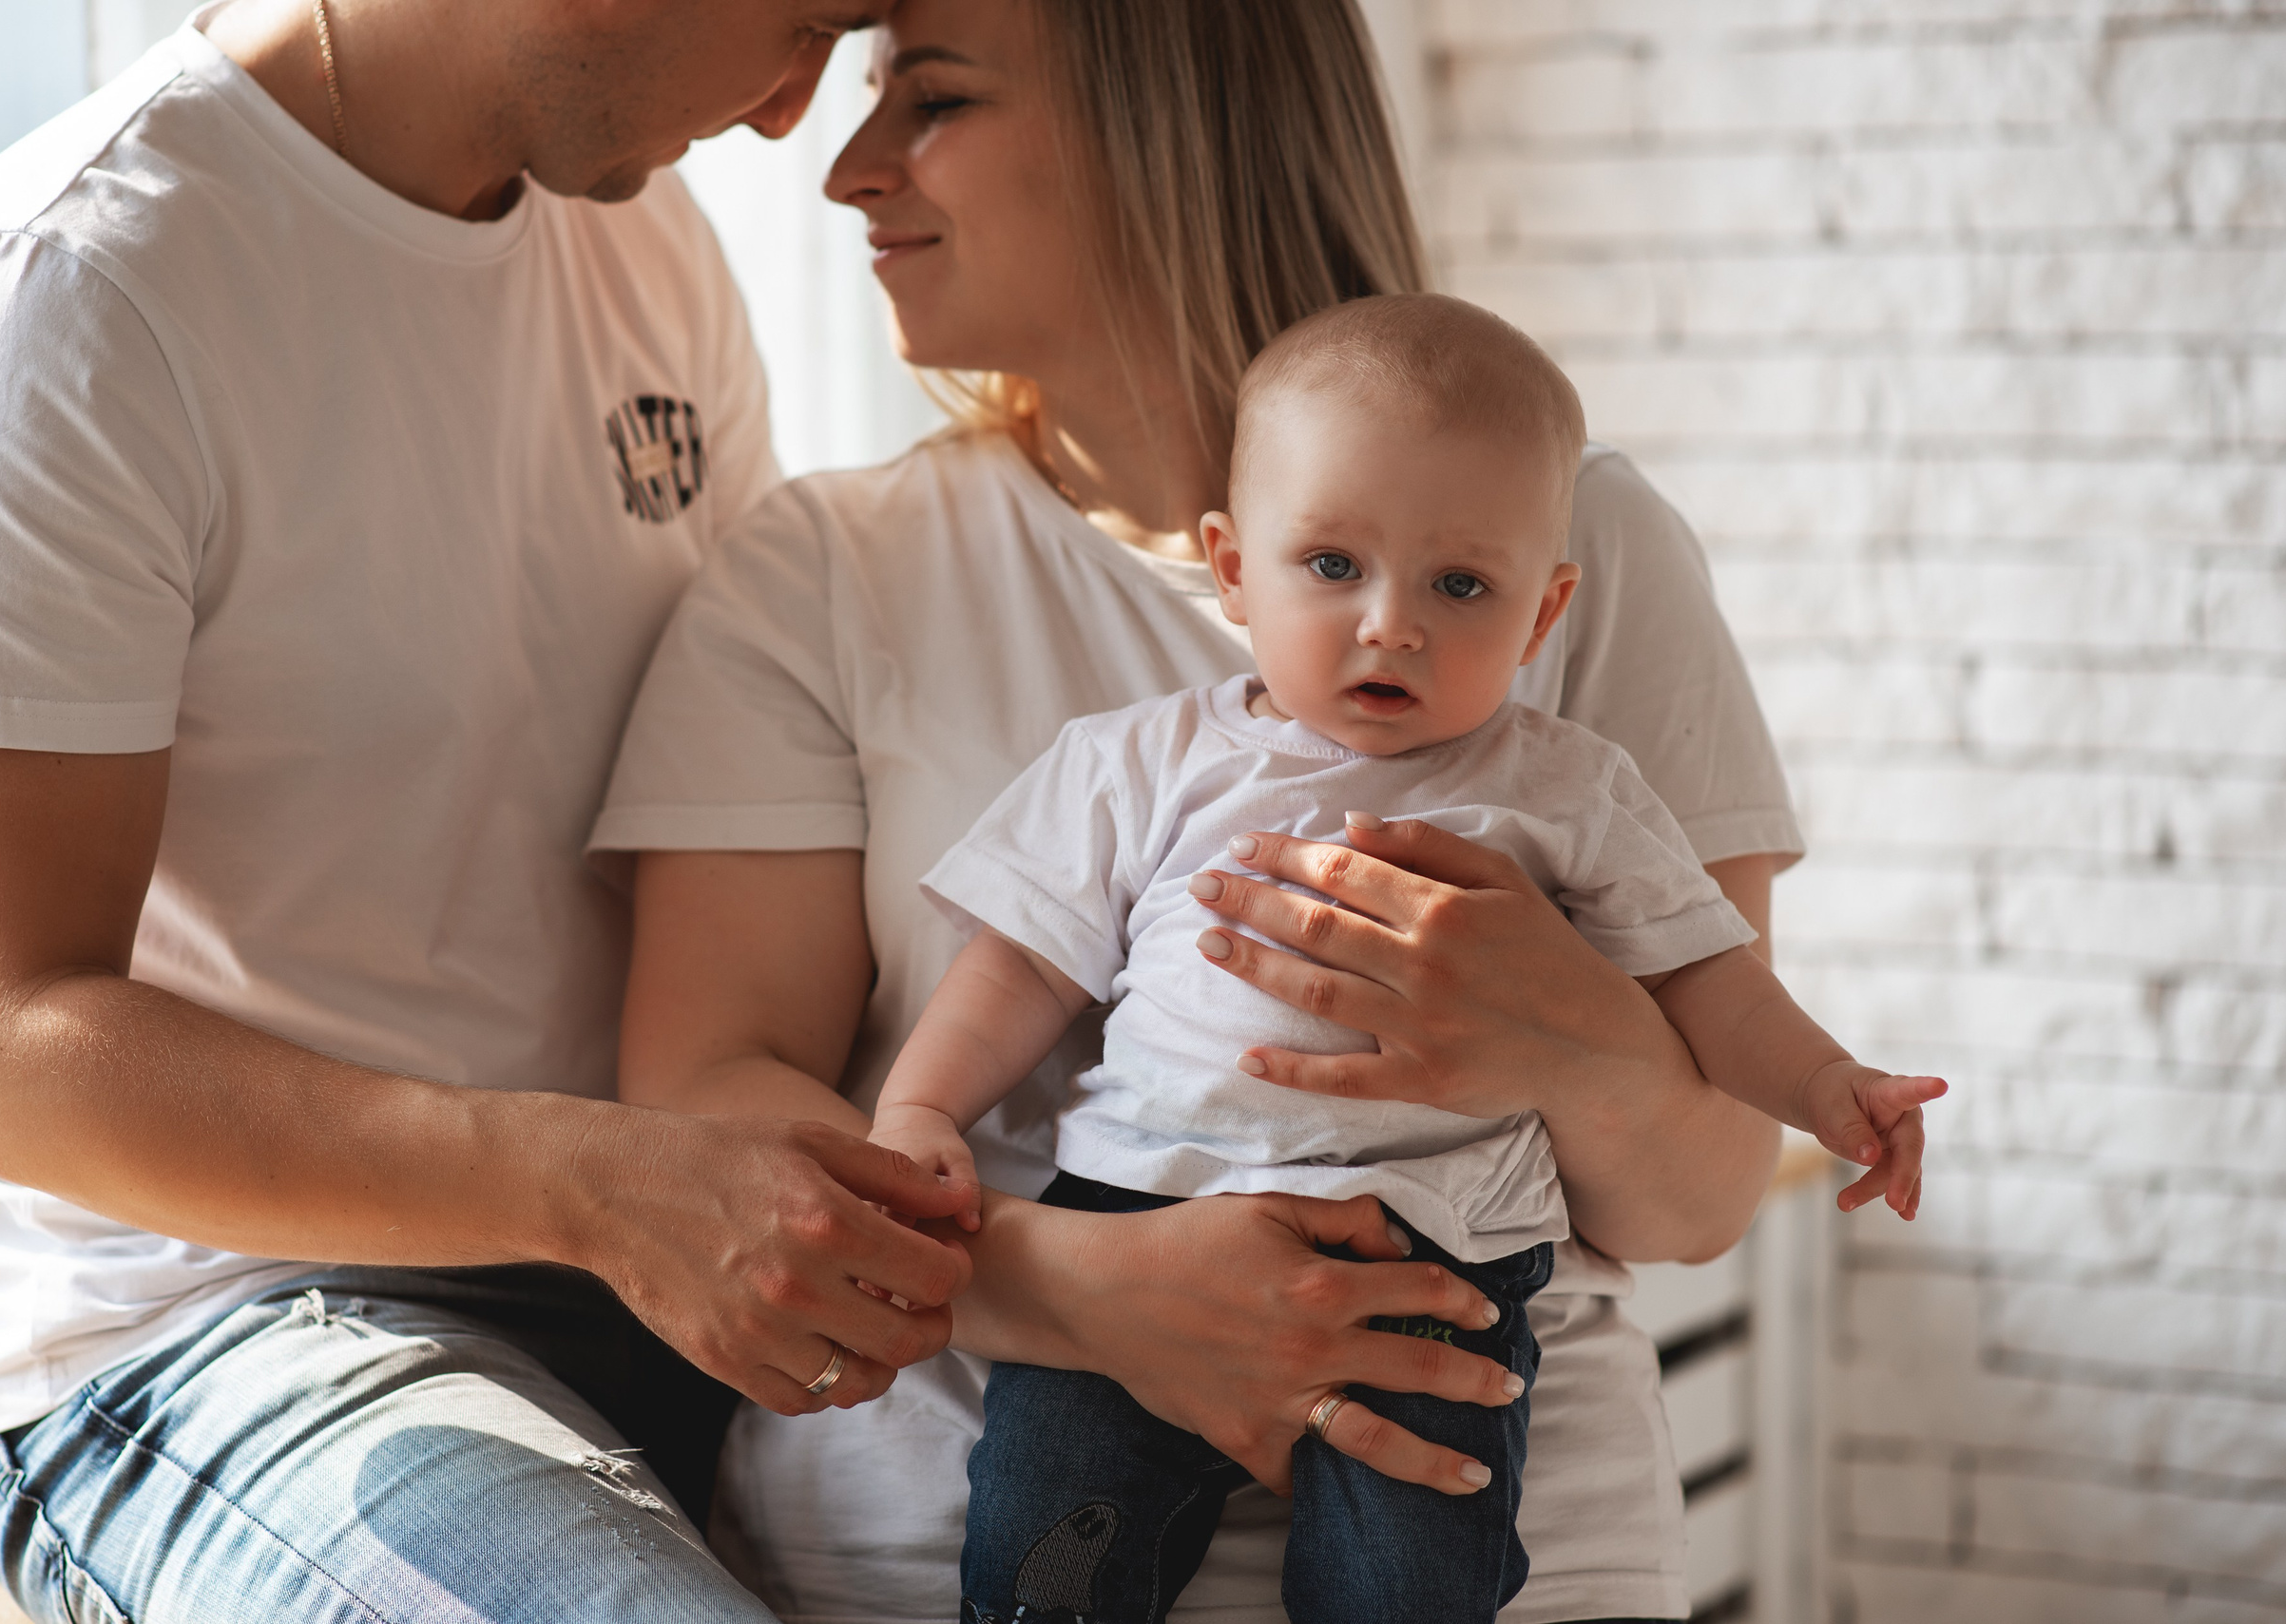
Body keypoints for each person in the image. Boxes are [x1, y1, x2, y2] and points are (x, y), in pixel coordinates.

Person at [597, 0, 1889, 1619]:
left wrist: (1557, 1034)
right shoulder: (823, 575)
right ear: (1230, 565)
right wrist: (1078, 1285)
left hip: (1504, 1519)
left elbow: (1699, 1200)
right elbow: (700, 1100)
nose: (850, 170)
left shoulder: (1581, 544)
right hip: (937, 1557)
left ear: (1170, 125)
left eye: (928, 99)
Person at [0, 3, 981, 1620]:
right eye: (801, 27)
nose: (793, 119)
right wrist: (588, 1182)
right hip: (215, 1326)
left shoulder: (644, 241)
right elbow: (0, 1050)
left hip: (645, 1249)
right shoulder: (74, 293)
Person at [870, 294, 1940, 1623]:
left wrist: (1835, 1088)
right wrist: (921, 1107)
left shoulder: (1566, 790)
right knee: (1050, 1534)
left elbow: (1706, 980)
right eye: (1332, 565)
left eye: (1460, 584)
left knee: (1413, 1579)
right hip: (1137, 1214)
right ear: (1231, 566)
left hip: (1437, 1253)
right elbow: (1023, 966)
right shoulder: (1140, 763)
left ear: (1543, 613)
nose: (1392, 623)